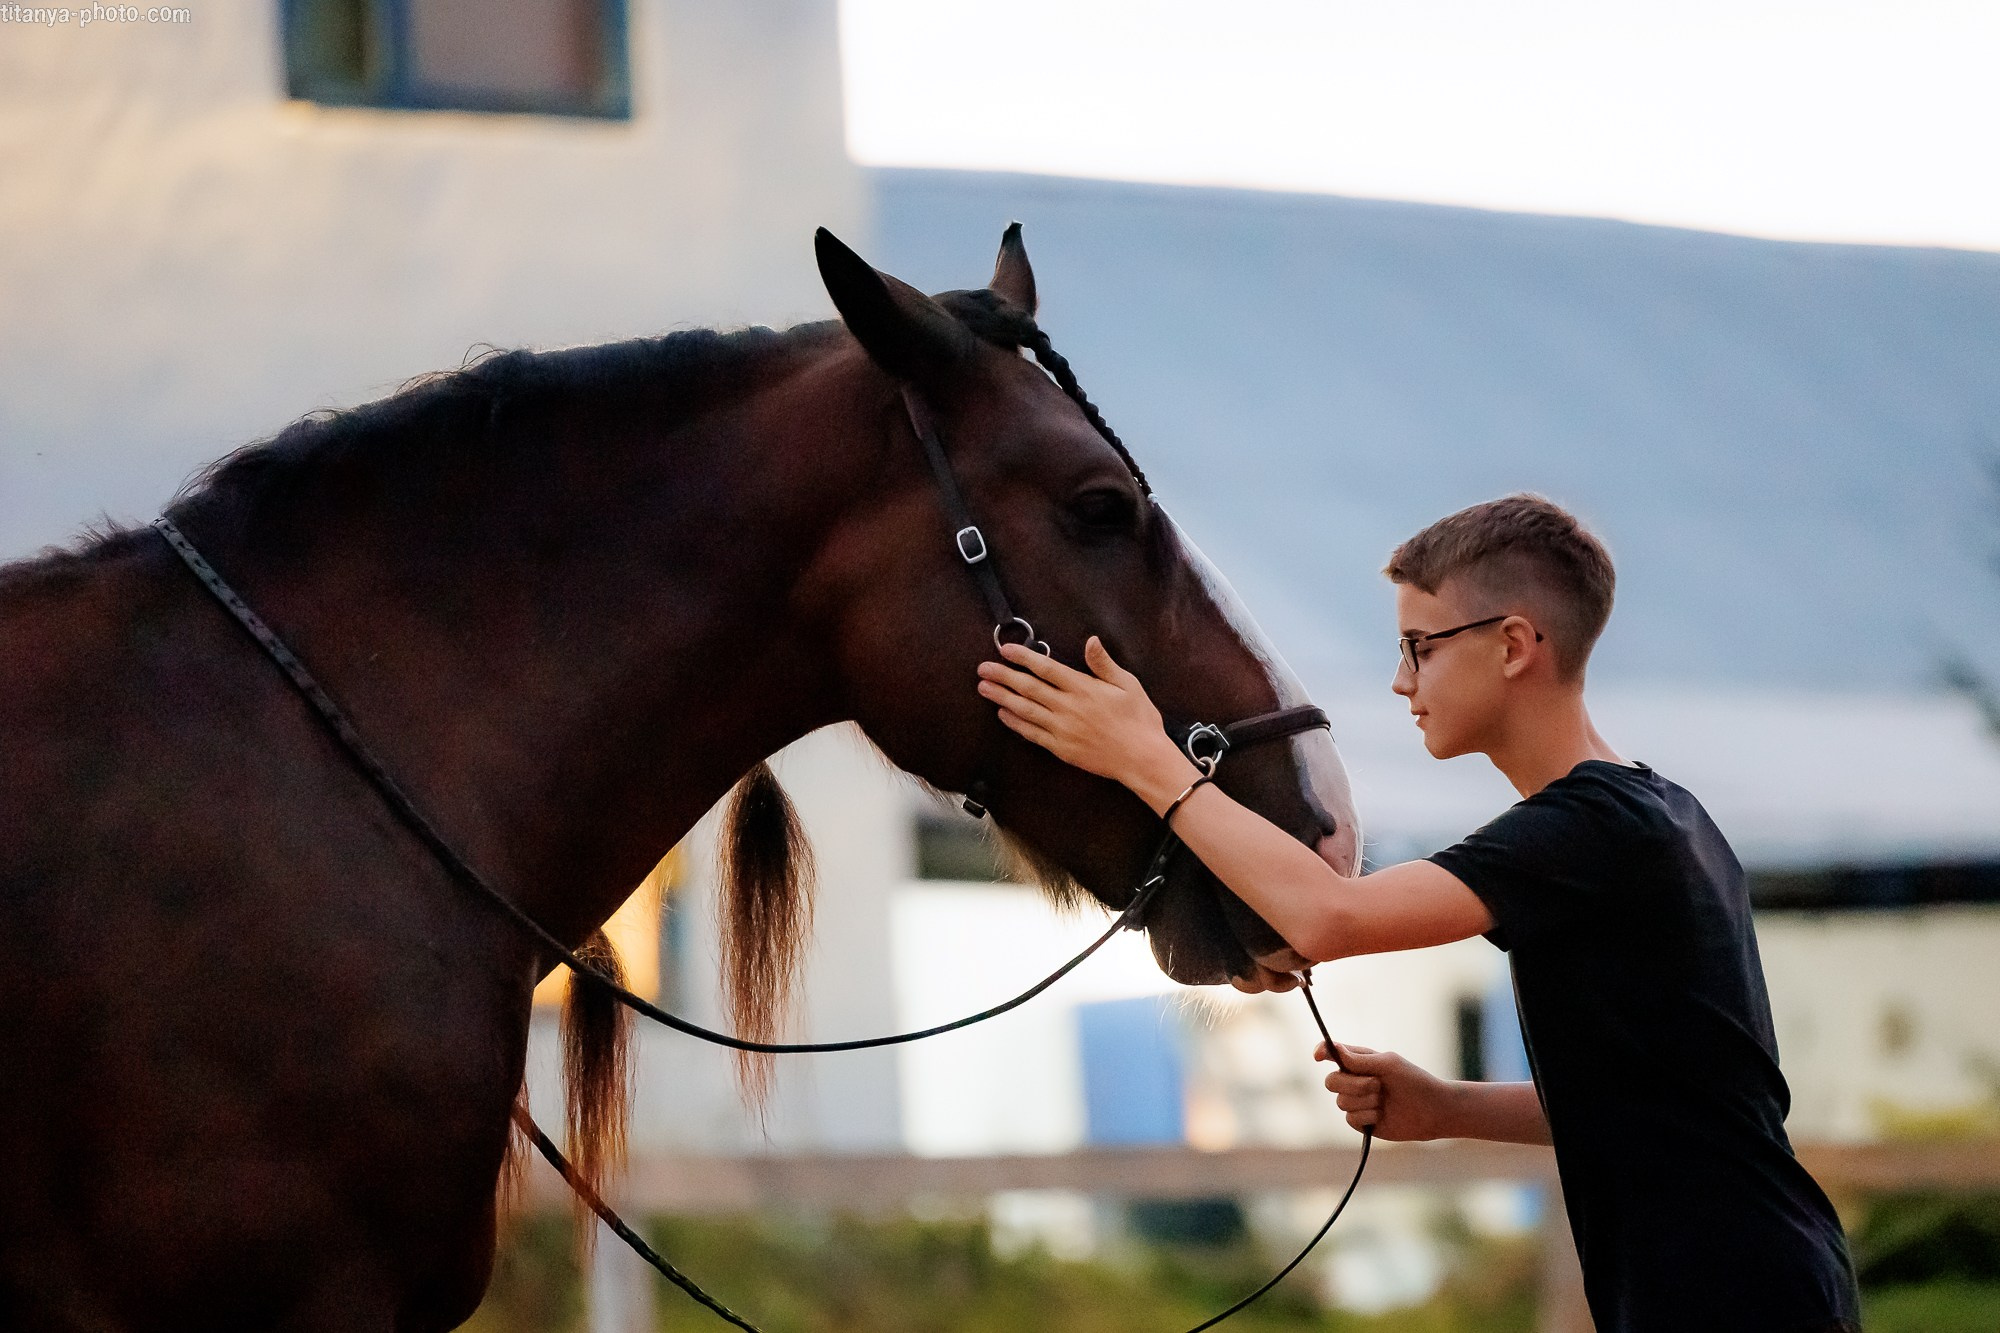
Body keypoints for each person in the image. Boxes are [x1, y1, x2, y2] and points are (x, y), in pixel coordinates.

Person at [975, 493, 1861, 1333]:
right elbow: (1659, 1101)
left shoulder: (1588, 829)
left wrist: (1147, 758)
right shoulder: (1657, 813)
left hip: (1733, 1289)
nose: (1402, 681)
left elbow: (1327, 917)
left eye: (1421, 647)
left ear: (1513, 645)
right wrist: (1446, 1106)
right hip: (1754, 1274)